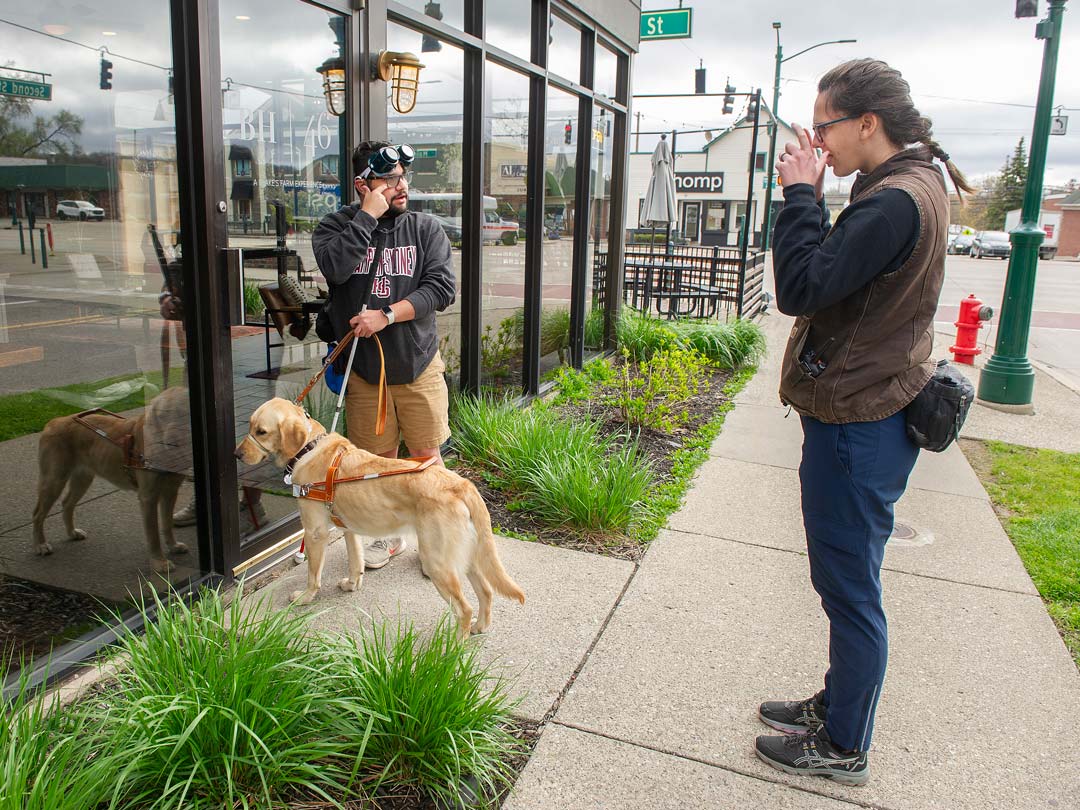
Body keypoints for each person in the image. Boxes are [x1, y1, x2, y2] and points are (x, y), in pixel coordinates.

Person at [755, 59, 975, 786]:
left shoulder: (891, 203)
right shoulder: (916, 186)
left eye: (824, 127)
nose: (819, 141)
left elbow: (802, 287)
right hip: (871, 414)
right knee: (848, 584)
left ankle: (844, 744)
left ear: (867, 123)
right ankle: (838, 706)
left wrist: (798, 193)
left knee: (850, 593)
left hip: (858, 425)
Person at [312, 140, 456, 570]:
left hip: (417, 364)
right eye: (389, 179)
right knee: (377, 464)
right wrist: (368, 218)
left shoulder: (426, 229)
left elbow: (441, 289)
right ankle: (390, 536)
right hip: (364, 373)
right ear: (363, 184)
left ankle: (437, 544)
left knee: (427, 460)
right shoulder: (334, 227)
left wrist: (387, 315)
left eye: (403, 177)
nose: (401, 186)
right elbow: (336, 270)